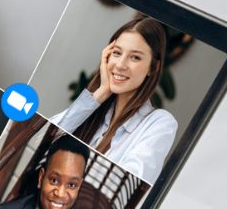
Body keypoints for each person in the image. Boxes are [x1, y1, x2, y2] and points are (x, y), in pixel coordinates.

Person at [52, 16, 178, 185]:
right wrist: (100, 94)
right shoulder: (95, 109)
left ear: (153, 68)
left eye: (135, 57)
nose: (120, 65)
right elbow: (42, 139)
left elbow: (126, 185)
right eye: (117, 53)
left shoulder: (160, 122)